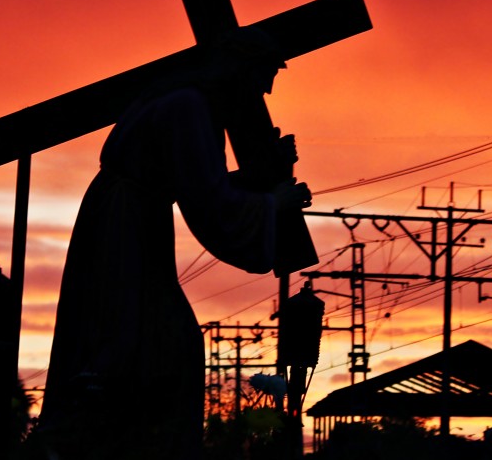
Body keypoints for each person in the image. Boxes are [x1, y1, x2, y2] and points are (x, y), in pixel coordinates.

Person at [36, 29, 312, 459]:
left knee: (150, 339)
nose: (266, 90)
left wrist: (265, 174)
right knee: (153, 342)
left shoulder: (188, 103)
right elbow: (207, 199)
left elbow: (198, 183)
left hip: (131, 223)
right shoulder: (189, 108)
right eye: (263, 77)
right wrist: (272, 204)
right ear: (239, 69)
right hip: (125, 233)